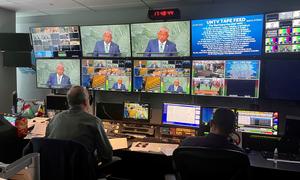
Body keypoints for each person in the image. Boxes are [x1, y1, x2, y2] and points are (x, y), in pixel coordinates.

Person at [45, 86, 113, 164]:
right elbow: (107, 155)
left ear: (68, 102)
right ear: (86, 102)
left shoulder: (54, 119)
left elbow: (47, 144)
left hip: (56, 171)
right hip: (82, 173)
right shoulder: (94, 122)